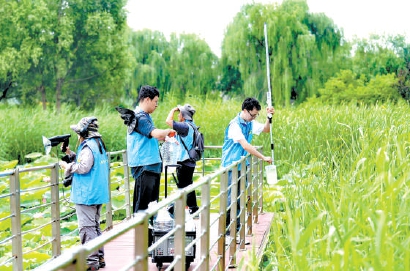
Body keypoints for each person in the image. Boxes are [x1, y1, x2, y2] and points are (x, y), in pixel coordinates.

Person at [59, 116, 109, 271]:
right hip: (97, 192)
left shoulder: (88, 147)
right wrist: (70, 153)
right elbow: (88, 161)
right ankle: (99, 257)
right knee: (94, 226)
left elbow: (84, 167)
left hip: (87, 194)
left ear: (83, 132)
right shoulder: (98, 144)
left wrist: (67, 166)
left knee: (86, 228)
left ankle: (91, 262)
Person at [221, 97, 274, 235]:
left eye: (256, 115)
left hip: (242, 166)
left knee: (239, 199)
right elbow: (245, 145)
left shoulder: (249, 122)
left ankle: (235, 230)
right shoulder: (235, 125)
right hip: (231, 166)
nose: (254, 117)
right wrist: (263, 157)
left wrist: (269, 117)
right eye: (253, 115)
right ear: (245, 110)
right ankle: (228, 233)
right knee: (230, 200)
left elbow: (266, 130)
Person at [127, 85, 175, 213]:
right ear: (147, 99)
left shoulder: (145, 116)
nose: (156, 105)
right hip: (144, 166)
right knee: (143, 207)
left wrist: (163, 137)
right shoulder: (139, 117)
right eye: (155, 102)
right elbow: (156, 133)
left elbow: (151, 137)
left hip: (150, 165)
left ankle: (148, 232)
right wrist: (168, 131)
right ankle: (141, 233)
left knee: (151, 205)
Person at [165, 104, 199, 216]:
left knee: (183, 187)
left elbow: (168, 121)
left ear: (183, 115)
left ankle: (174, 208)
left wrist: (172, 109)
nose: (178, 115)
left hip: (184, 161)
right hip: (190, 161)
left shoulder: (185, 126)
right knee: (188, 185)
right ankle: (193, 208)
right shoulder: (192, 125)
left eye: (180, 113)